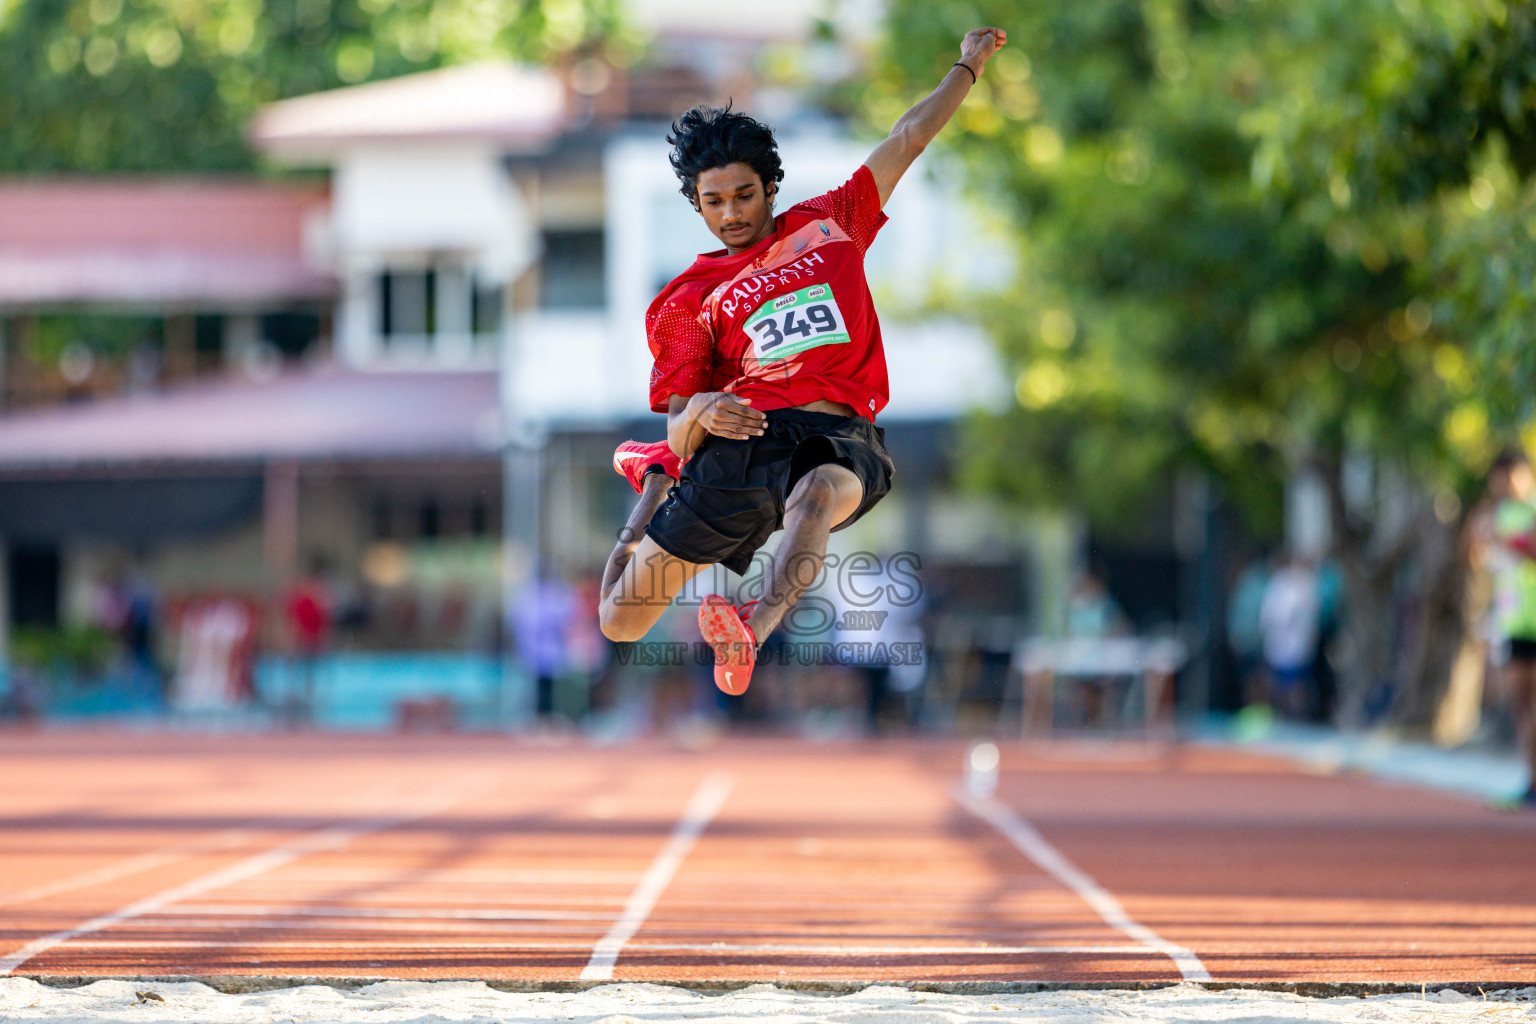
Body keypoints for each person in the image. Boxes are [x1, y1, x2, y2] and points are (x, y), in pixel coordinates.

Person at [597, 27, 1009, 697]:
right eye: (713, 202)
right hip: (741, 442)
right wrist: (700, 410)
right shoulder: (686, 300)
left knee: (816, 493)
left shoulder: (833, 223)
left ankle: (748, 634)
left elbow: (908, 138)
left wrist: (967, 65)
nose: (731, 215)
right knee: (618, 620)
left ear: (771, 187)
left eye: (744, 196)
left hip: (835, 435)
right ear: (695, 203)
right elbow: (681, 422)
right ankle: (652, 482)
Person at [1488, 451, 1536, 805]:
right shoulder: (1500, 514)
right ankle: (1532, 780)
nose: (1503, 484)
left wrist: (1505, 541)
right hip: (1514, 622)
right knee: (1521, 706)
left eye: (1509, 476)